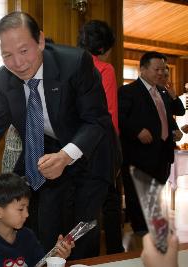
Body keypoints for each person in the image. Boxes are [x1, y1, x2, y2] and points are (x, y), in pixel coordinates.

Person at [0, 11, 120, 259]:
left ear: (41, 41)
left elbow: (97, 120)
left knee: (81, 232)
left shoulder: (75, 63)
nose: (18, 62)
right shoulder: (3, 77)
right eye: (7, 55)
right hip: (47, 154)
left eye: (24, 50)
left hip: (90, 151)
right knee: (47, 228)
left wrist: (66, 156)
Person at [118, 51, 185, 234]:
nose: (161, 73)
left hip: (162, 153)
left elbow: (172, 115)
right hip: (138, 154)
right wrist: (137, 131)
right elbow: (118, 118)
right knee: (137, 194)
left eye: (164, 69)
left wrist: (174, 130)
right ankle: (140, 230)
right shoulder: (128, 91)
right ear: (143, 69)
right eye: (157, 69)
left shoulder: (163, 92)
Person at [77, 19, 124, 254]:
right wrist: (115, 155)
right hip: (101, 146)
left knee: (83, 207)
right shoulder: (105, 69)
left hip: (75, 146)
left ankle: (83, 256)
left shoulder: (73, 65)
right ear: (105, 46)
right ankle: (112, 254)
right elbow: (110, 116)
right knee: (109, 204)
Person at [0, 173, 74, 267]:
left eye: (27, 208)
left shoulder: (27, 236)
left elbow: (40, 264)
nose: (27, 214)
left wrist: (56, 257)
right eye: (20, 209)